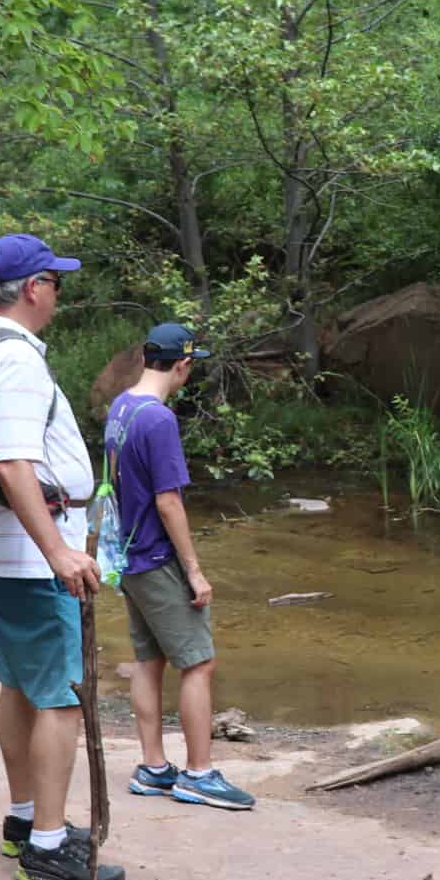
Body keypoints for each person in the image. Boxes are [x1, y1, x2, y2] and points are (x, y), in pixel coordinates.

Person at [0, 233, 125, 880]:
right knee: (59, 698)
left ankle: (25, 820)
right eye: (56, 282)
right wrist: (59, 551)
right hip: (29, 557)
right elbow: (11, 462)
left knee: (19, 684)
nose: (59, 293)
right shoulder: (18, 362)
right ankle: (49, 849)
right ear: (33, 288)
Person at [106, 322, 255, 811]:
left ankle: (153, 767)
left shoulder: (121, 406)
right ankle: (198, 773)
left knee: (149, 661)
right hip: (155, 558)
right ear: (183, 365)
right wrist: (194, 570)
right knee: (199, 662)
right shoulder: (159, 420)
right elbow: (169, 502)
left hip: (126, 556)